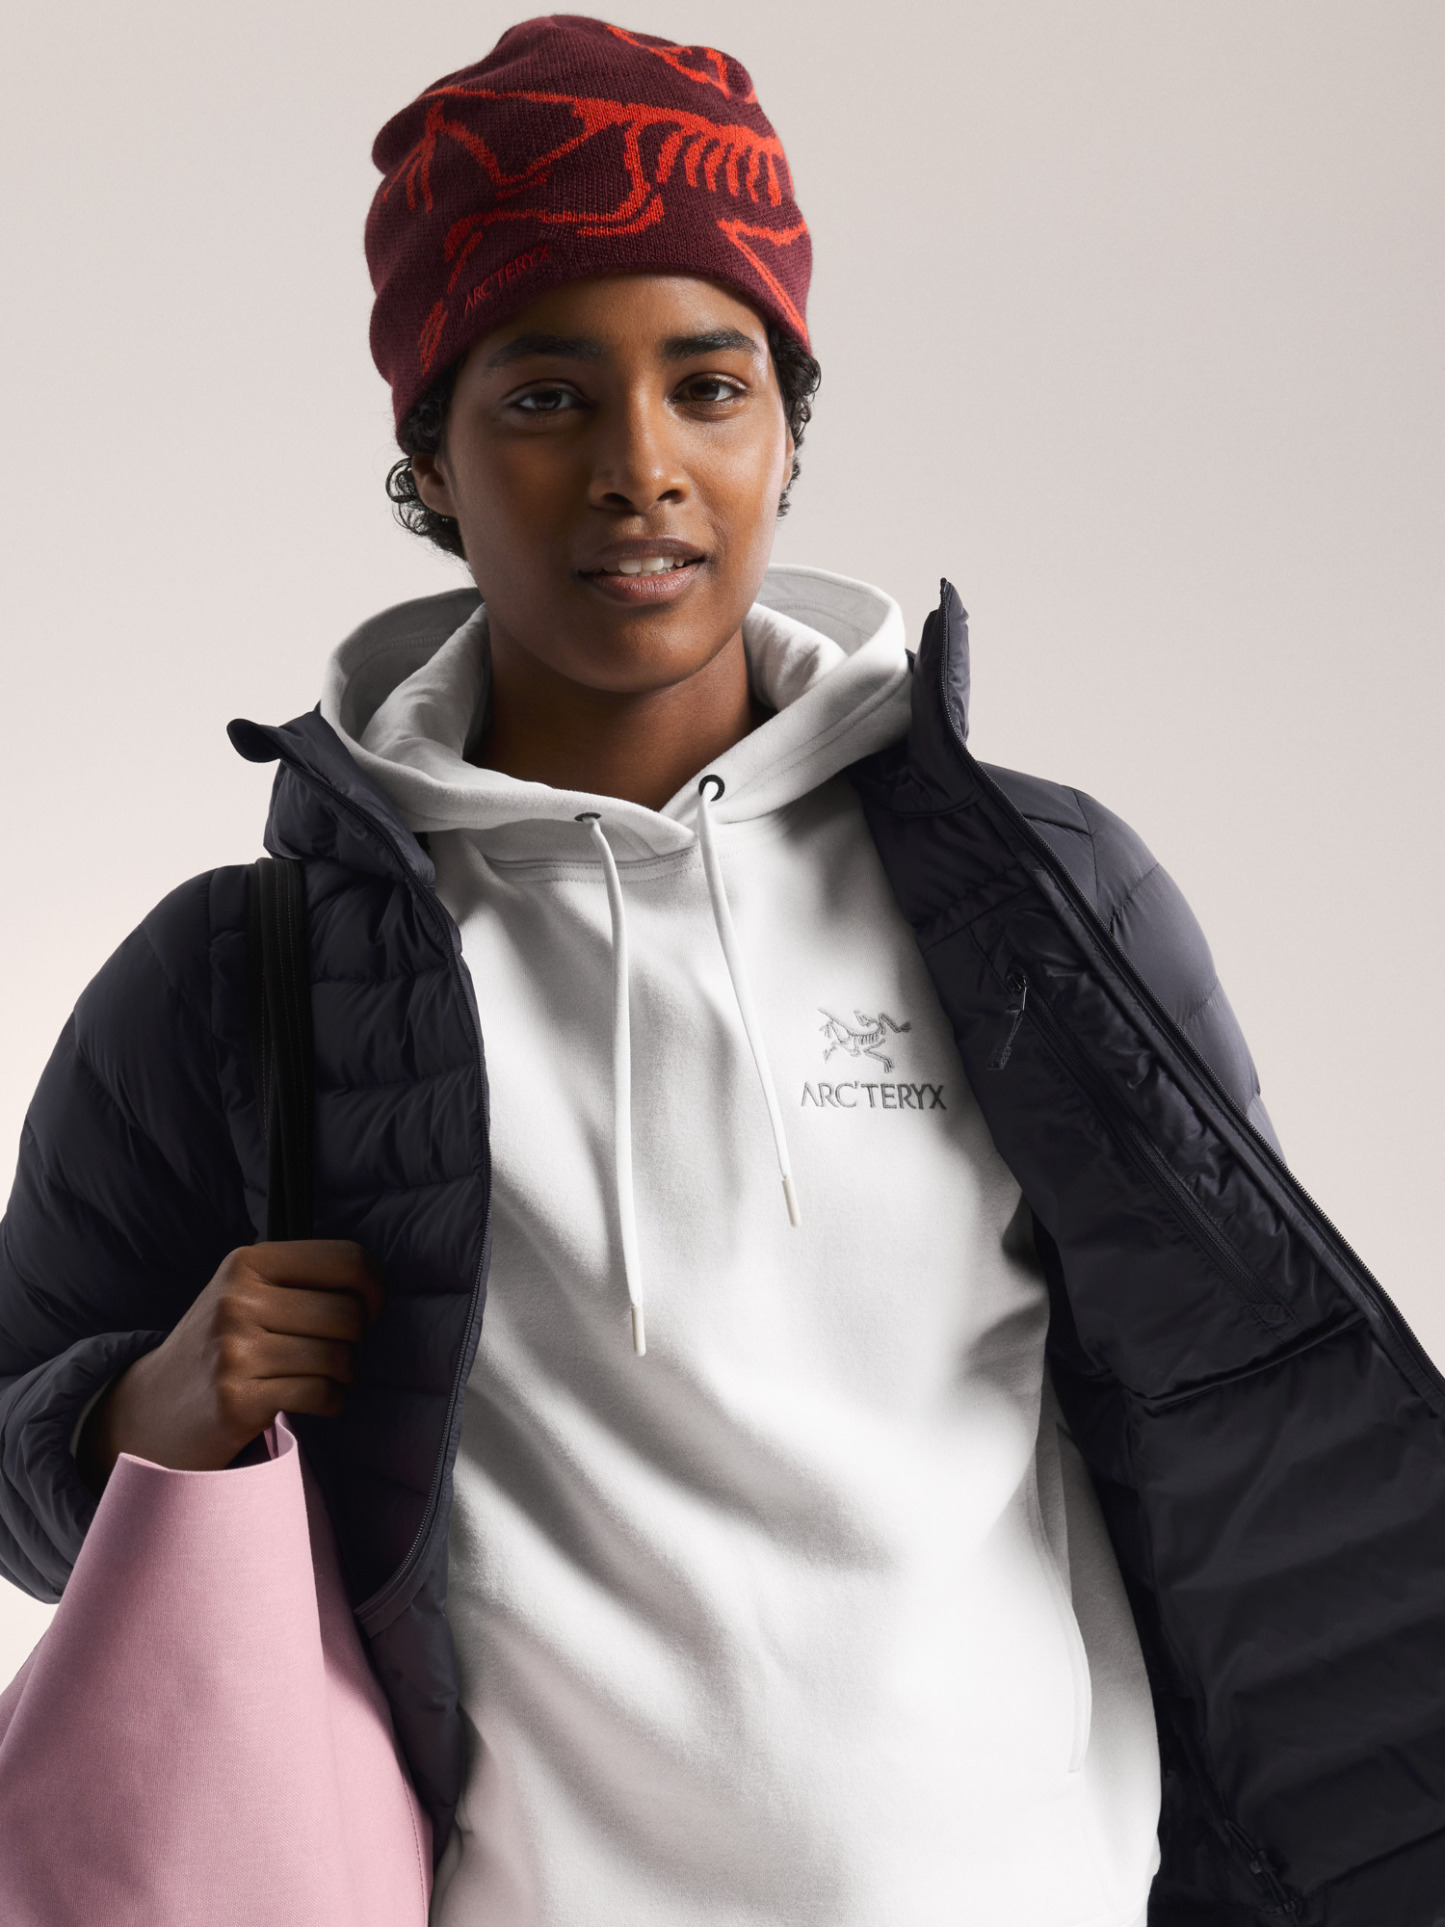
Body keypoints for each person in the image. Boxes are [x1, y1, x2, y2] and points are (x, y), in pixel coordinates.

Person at [3, 16, 1444, 1926]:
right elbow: (26, 1475)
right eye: (544, 395)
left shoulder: (1037, 896)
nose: (641, 469)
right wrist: (138, 1416)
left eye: (708, 386)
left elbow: (1236, 1416)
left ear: (785, 431)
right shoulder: (242, 971)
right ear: (430, 456)